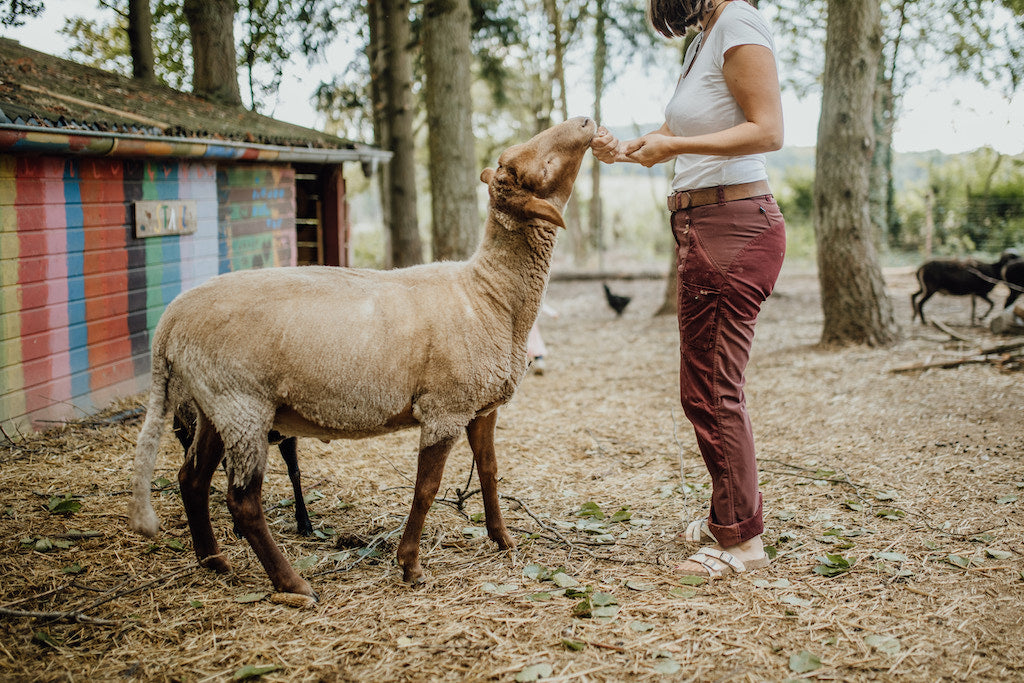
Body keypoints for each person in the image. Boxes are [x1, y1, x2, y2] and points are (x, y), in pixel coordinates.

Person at [591, 0, 786, 578]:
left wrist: (673, 147)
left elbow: (768, 130)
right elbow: (678, 136)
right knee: (702, 385)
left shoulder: (739, 22)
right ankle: (732, 513)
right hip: (704, 223)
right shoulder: (706, 36)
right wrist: (626, 148)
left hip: (733, 226)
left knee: (713, 390)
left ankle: (742, 544)